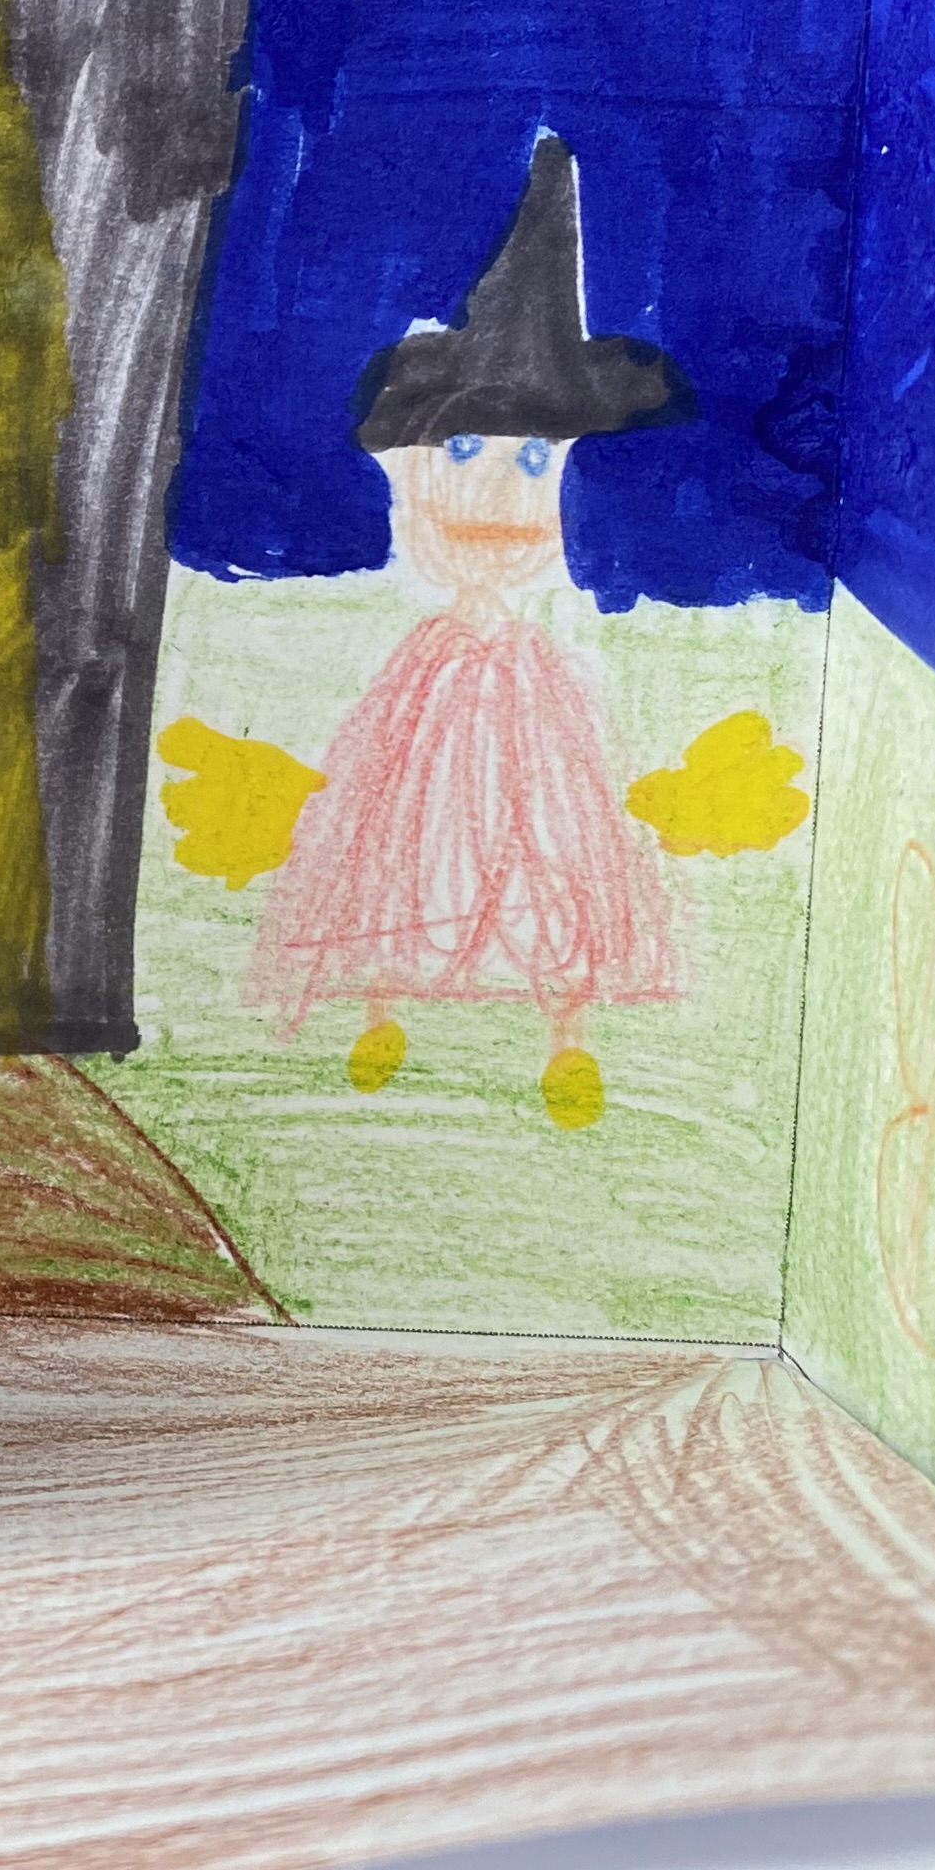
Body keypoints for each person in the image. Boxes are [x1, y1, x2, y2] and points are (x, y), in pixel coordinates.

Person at [249, 135, 695, 1128]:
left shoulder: (546, 631)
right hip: (443, 677)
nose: (495, 488)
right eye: (462, 450)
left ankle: (566, 1031)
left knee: (554, 841)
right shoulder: (424, 568)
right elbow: (426, 518)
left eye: (532, 460)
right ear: (419, 460)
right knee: (401, 830)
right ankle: (381, 1004)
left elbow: (530, 541)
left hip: (522, 686)